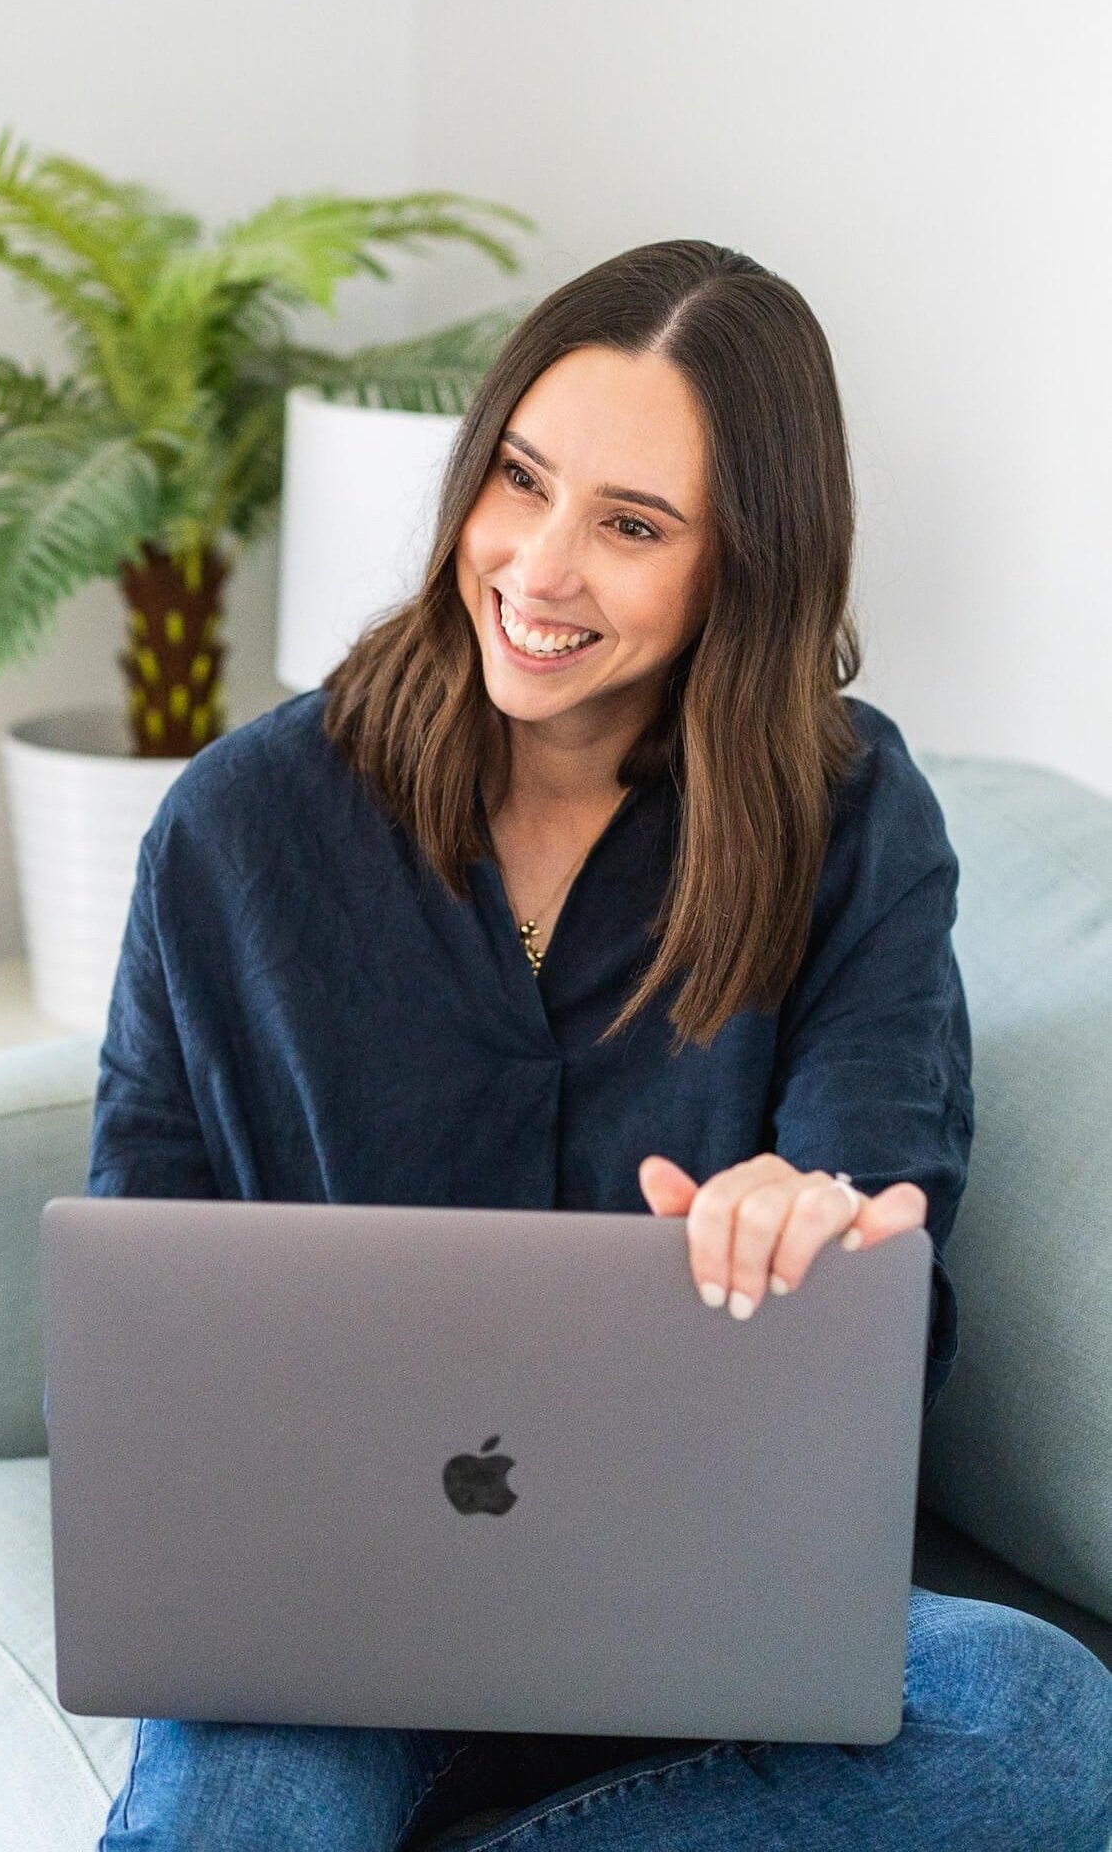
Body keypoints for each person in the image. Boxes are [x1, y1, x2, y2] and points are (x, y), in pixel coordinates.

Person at [85, 240, 1112, 1850]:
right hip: (335, 1614)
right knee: (247, 1814)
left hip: (708, 1593)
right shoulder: (237, 827)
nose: (538, 568)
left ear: (741, 572)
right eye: (521, 481)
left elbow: (883, 1204)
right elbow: (142, 1309)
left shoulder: (850, 820)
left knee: (1040, 1720)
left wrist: (818, 1225)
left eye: (631, 527)